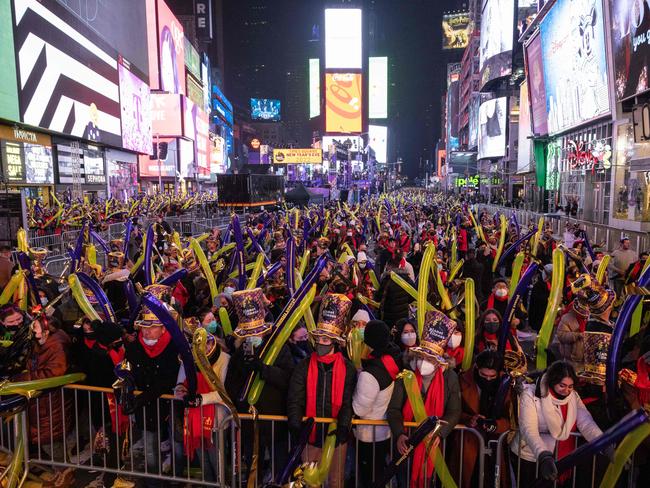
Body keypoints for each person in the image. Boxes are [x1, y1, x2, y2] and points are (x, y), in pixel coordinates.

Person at [224, 288, 293, 485]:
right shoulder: (239, 354)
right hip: (250, 422)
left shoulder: (279, 348)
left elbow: (288, 378)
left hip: (274, 420)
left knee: (280, 464)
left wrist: (262, 369)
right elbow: (230, 385)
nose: (252, 336)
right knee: (254, 464)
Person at [287, 294, 357, 488]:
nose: (321, 343)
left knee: (335, 481)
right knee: (309, 481)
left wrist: (342, 428)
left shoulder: (348, 368)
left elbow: (347, 401)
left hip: (336, 438)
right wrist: (296, 424)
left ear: (334, 341)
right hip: (310, 435)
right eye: (319, 338)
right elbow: (295, 397)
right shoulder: (303, 366)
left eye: (326, 339)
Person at [386, 311, 461, 488]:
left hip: (432, 446)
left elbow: (454, 410)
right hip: (406, 444)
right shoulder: (406, 375)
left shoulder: (450, 377)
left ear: (439, 361)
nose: (424, 361)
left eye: (430, 358)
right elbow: (394, 409)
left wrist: (440, 433)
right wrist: (399, 434)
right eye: (422, 356)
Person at [510, 361, 605, 486]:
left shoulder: (573, 397)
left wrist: (603, 442)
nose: (566, 390)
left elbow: (586, 423)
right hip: (528, 456)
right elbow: (529, 429)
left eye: (570, 386)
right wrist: (543, 455)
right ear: (552, 382)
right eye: (562, 385)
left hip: (557, 457)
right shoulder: (530, 394)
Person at [124, 299, 180, 488]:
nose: (147, 331)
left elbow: (169, 380)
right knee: (149, 450)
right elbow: (127, 372)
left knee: (179, 449)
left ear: (163, 329)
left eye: (153, 327)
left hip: (171, 408)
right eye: (144, 327)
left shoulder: (174, 348)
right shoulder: (133, 348)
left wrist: (144, 396)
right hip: (146, 410)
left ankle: (177, 482)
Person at [14, 313, 74, 486]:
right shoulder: (40, 344)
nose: (32, 330)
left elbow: (53, 372)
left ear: (46, 330)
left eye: (35, 327)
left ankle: (66, 472)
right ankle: (59, 471)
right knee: (47, 441)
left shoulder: (56, 346)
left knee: (51, 442)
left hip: (50, 402)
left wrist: (24, 378)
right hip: (41, 403)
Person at [452, 350, 511, 488]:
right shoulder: (462, 380)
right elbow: (453, 410)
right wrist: (469, 419)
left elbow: (510, 419)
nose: (488, 379)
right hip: (467, 443)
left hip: (494, 445)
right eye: (484, 375)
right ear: (476, 368)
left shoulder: (506, 384)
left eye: (492, 376)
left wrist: (495, 425)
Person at [352, 320, 401, 487]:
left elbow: (360, 408)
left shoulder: (370, 374)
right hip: (384, 431)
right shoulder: (390, 361)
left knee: (369, 479)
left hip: (367, 433)